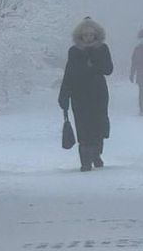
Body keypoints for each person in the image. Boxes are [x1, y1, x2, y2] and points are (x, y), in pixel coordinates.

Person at [58, 17, 114, 172]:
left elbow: (108, 69)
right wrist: (64, 95)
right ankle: (85, 161)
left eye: (91, 34)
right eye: (85, 34)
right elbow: (69, 73)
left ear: (96, 35)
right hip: (79, 94)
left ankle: (95, 154)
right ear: (80, 35)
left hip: (98, 93)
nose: (88, 37)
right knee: (82, 126)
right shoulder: (74, 51)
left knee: (98, 125)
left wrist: (94, 65)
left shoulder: (102, 49)